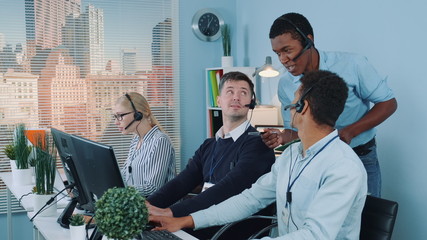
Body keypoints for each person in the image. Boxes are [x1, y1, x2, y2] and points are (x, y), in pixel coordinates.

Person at [149, 70, 368, 239]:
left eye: (293, 101)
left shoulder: (343, 167)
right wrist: (187, 220)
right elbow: (249, 200)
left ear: (303, 106)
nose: (289, 107)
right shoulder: (292, 156)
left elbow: (315, 235)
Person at [261, 12, 397, 197]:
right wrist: (283, 136)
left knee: (367, 220)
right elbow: (297, 130)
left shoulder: (352, 64)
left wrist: (349, 132)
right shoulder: (285, 84)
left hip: (361, 155)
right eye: (278, 54)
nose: (283, 60)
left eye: (287, 50)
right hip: (317, 161)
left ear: (309, 40)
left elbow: (388, 103)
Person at [146, 71, 276, 238]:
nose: (236, 97)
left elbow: (229, 188)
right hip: (201, 220)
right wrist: (148, 204)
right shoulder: (209, 144)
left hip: (232, 226)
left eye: (243, 93)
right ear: (219, 100)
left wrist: (170, 212)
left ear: (251, 103)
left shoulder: (258, 144)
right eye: (230, 91)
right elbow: (182, 181)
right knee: (145, 228)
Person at [114, 92, 176, 197]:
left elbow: (153, 188)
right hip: (137, 205)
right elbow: (125, 176)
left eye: (120, 116)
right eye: (115, 117)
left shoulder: (160, 141)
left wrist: (119, 192)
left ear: (138, 115)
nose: (116, 122)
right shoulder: (136, 141)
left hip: (158, 209)